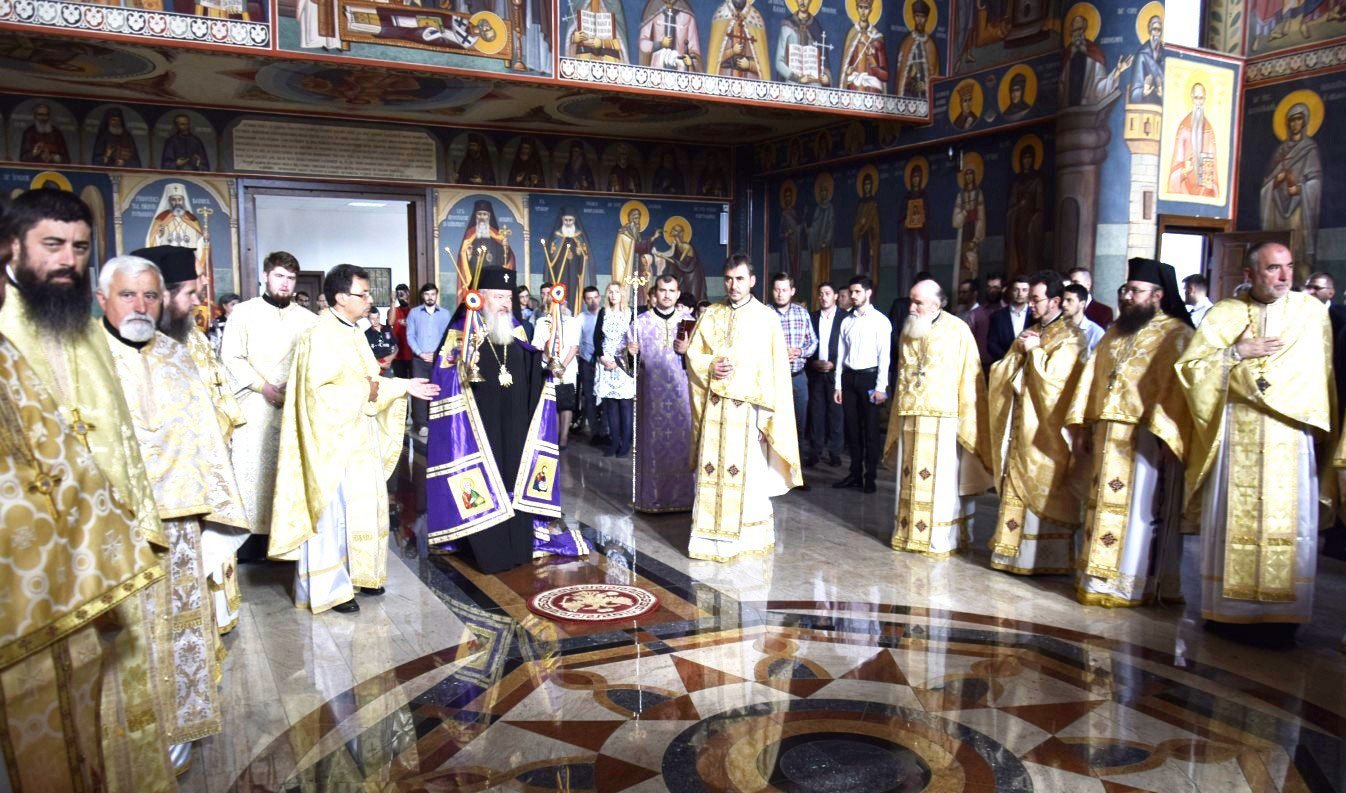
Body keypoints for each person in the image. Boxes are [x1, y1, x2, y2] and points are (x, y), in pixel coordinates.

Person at [0, 200, 175, 793]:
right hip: (23, 565)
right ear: (14, 246)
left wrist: (139, 522)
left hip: (101, 542)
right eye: (52, 245)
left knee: (105, 688)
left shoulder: (81, 322)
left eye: (79, 248)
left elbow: (119, 429)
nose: (67, 261)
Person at [99, 253, 250, 770]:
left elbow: (202, 432)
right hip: (113, 525)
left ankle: (174, 740)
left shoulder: (176, 353)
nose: (140, 305)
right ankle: (126, 745)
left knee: (177, 626)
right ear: (102, 299)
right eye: (127, 295)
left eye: (149, 295)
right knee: (125, 637)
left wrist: (216, 512)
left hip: (183, 522)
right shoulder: (83, 356)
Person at [1176, 242, 1331, 643]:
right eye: (1273, 268)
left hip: (1289, 437)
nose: (1284, 276)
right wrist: (1234, 353)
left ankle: (1283, 619)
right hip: (1236, 433)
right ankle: (1228, 613)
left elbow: (1319, 376)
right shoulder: (1225, 314)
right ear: (1250, 274)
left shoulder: (1310, 313)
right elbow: (1191, 371)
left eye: (1289, 267)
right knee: (1231, 520)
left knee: (1289, 525)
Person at [269, 264, 438, 613]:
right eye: (363, 293)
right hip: (332, 442)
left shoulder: (352, 330)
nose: (369, 299)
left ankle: (359, 574)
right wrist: (368, 389)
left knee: (360, 508)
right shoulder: (320, 335)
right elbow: (317, 395)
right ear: (341, 297)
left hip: (359, 435)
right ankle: (330, 588)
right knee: (334, 514)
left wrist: (403, 385)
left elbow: (371, 381)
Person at [428, 268, 587, 572]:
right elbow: (443, 380)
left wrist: (544, 360)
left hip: (515, 429)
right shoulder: (460, 333)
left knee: (516, 476)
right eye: (497, 297)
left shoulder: (517, 331)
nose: (504, 304)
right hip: (478, 432)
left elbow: (532, 368)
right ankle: (485, 546)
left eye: (508, 298)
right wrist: (463, 365)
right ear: (479, 298)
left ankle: (519, 542)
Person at [1068, 258, 1194, 607]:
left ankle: (1132, 583)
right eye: (1126, 290)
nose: (1126, 297)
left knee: (1139, 512)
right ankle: (1098, 579)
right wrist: (1083, 424)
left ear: (1157, 295)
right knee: (1099, 507)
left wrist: (1170, 436)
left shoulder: (1177, 334)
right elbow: (1091, 379)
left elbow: (1180, 391)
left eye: (1135, 291)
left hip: (1146, 438)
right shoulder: (1115, 333)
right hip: (1105, 435)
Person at [137, 245, 249, 635]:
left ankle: (214, 621)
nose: (198, 301)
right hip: (167, 488)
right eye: (189, 293)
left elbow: (215, 387)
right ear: (161, 295)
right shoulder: (136, 346)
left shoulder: (189, 335)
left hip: (204, 466)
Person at [685, 254, 801, 560]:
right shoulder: (711, 314)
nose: (733, 285)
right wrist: (710, 365)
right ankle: (708, 539)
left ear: (752, 281)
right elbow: (694, 355)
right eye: (728, 279)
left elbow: (774, 371)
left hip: (748, 412)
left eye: (739, 279)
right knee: (711, 472)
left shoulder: (766, 319)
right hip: (714, 410)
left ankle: (746, 540)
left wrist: (766, 418)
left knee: (747, 475)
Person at [987, 271, 1088, 576]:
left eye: (1036, 299)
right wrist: (1018, 354)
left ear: (1055, 301)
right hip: (1021, 421)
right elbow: (1002, 369)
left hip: (1046, 428)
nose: (1030, 304)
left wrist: (1036, 352)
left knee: (1042, 482)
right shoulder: (1030, 331)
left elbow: (1057, 383)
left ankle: (1042, 559)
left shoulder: (1071, 336)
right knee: (1015, 478)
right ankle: (1009, 553)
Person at [884, 278, 992, 555]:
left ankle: (938, 537)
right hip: (910, 416)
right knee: (909, 478)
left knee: (941, 483)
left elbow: (971, 376)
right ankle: (907, 533)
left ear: (936, 303)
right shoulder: (909, 328)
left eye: (918, 302)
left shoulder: (958, 330)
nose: (912, 307)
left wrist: (967, 417)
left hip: (943, 420)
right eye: (911, 300)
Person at [221, 251, 317, 560]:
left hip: (293, 406)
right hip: (254, 404)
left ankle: (287, 542)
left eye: (290, 278)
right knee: (251, 473)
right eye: (279, 276)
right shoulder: (243, 313)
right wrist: (263, 387)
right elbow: (231, 356)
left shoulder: (309, 320)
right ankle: (249, 545)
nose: (285, 283)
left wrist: (296, 385)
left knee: (287, 473)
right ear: (265, 276)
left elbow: (315, 361)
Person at [624, 274, 696, 511]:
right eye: (663, 290)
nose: (667, 295)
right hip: (651, 398)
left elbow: (703, 358)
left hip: (682, 395)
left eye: (671, 291)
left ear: (678, 294)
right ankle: (652, 499)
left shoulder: (690, 322)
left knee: (683, 445)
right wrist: (630, 354)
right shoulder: (640, 323)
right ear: (655, 293)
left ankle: (683, 499)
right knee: (653, 446)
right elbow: (628, 366)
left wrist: (688, 351)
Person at [833, 274, 891, 494]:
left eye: (857, 292)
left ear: (868, 293)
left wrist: (881, 387)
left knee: (871, 431)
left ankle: (870, 476)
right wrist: (838, 385)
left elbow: (884, 357)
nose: (853, 296)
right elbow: (840, 355)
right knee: (852, 429)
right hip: (849, 379)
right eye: (851, 292)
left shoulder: (881, 321)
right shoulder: (846, 321)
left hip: (869, 378)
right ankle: (855, 473)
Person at [770, 272, 818, 476]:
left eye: (784, 290)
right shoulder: (765, 314)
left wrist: (800, 351)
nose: (780, 294)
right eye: (776, 290)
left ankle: (796, 474)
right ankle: (773, 473)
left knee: (798, 425)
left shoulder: (802, 313)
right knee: (773, 424)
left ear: (792, 291)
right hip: (773, 379)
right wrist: (778, 353)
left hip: (798, 377)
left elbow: (813, 342)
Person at [532, 284, 582, 450]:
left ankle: (564, 438)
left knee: (566, 403)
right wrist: (549, 360)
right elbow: (537, 346)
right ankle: (553, 436)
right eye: (555, 304)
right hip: (548, 367)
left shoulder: (572, 322)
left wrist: (562, 366)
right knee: (552, 402)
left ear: (565, 304)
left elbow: (574, 347)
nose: (559, 306)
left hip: (567, 368)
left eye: (562, 303)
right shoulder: (542, 322)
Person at [594, 281, 637, 457]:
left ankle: (625, 444)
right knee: (610, 405)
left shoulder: (630, 313)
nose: (613, 295)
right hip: (606, 362)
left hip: (624, 363)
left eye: (616, 292)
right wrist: (603, 358)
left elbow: (634, 341)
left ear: (622, 295)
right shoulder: (603, 312)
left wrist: (619, 360)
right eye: (610, 292)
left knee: (625, 405)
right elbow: (597, 338)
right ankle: (613, 442)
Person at [806, 282, 846, 467]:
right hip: (815, 372)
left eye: (827, 293)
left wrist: (834, 363)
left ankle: (835, 453)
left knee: (836, 415)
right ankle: (815, 452)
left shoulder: (845, 318)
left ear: (835, 296)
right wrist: (813, 362)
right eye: (820, 293)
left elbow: (848, 347)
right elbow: (807, 342)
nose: (823, 297)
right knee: (816, 414)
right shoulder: (811, 317)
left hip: (836, 374)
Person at [408, 282, 452, 438]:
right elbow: (410, 335)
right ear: (422, 296)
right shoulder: (414, 313)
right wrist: (420, 353)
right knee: (420, 392)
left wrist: (437, 354)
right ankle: (421, 425)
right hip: (419, 359)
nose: (430, 297)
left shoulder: (445, 314)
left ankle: (437, 422)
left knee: (437, 389)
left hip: (438, 358)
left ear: (436, 295)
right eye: (427, 294)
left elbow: (448, 336)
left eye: (433, 294)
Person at [1167, 82, 1220, 198]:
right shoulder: (1184, 128)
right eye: (1196, 98)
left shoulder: (1208, 129)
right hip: (1184, 186)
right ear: (1192, 98)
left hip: (1204, 190)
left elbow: (1211, 166)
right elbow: (1176, 164)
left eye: (1201, 98)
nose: (1198, 103)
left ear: (1205, 99)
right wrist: (1185, 171)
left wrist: (1208, 183)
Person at [543, 208, 592, 314]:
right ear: (562, 220)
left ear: (574, 220)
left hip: (574, 272)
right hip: (560, 272)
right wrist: (562, 256)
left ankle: (574, 313)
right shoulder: (557, 236)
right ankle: (559, 312)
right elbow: (552, 255)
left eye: (570, 220)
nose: (568, 223)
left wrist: (577, 254)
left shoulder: (579, 236)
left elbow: (584, 256)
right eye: (566, 220)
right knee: (561, 289)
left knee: (573, 291)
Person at [706, 0, 771, 79]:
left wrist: (749, 64)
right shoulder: (721, 16)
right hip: (724, 79)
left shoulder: (756, 19)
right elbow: (714, 59)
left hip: (750, 81)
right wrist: (732, 51)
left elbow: (763, 65)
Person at [577, 284, 607, 443]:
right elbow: (577, 342)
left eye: (595, 297)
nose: (593, 301)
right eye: (589, 298)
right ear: (584, 300)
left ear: (599, 297)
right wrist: (587, 356)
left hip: (605, 362)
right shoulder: (581, 318)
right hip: (587, 362)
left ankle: (605, 431)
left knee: (606, 396)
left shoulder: (607, 315)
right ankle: (595, 433)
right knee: (589, 397)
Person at [639, 0, 701, 70]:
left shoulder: (687, 15)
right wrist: (660, 44)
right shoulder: (653, 10)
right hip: (658, 68)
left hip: (681, 69)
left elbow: (694, 49)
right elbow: (642, 43)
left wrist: (691, 61)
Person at [839, 0, 887, 92]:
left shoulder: (877, 37)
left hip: (872, 89)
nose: (863, 12)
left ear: (871, 9)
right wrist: (847, 72)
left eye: (866, 8)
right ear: (857, 8)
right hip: (854, 87)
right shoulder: (852, 34)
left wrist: (873, 64)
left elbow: (884, 75)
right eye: (861, 7)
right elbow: (846, 65)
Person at [894, 0, 937, 97]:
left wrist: (926, 86)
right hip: (909, 93)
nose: (920, 20)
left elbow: (934, 74)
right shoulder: (907, 43)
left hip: (925, 95)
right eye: (917, 16)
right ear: (913, 17)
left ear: (926, 19)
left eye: (923, 17)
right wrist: (911, 77)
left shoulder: (931, 45)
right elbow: (901, 73)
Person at [986, 274, 1032, 362]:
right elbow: (991, 344)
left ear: (1030, 292)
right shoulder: (997, 316)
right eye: (1016, 290)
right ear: (1010, 291)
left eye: (1024, 290)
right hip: (1004, 363)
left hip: (1029, 363)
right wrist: (1007, 360)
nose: (1020, 294)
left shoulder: (1034, 315)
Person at [1061, 282, 1105, 353]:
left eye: (1069, 300)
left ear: (1082, 304)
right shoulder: (1058, 328)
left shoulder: (1095, 332)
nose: (1063, 304)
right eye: (1063, 300)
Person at [1305, 271, 1346, 339]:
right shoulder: (1296, 313)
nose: (1310, 292)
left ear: (1331, 293)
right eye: (1308, 287)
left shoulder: (1342, 315)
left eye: (1316, 288)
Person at [388, 283, 413, 378]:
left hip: (413, 354)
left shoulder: (414, 310)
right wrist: (393, 301)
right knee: (401, 383)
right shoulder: (395, 310)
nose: (401, 296)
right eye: (399, 294)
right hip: (398, 355)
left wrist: (408, 299)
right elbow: (390, 322)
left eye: (403, 293)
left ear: (408, 293)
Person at [365, 307, 398, 375]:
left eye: (377, 317)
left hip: (389, 365)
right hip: (375, 366)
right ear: (368, 319)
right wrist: (380, 364)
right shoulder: (366, 334)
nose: (376, 320)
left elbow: (396, 347)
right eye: (372, 318)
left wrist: (390, 358)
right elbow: (366, 354)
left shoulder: (387, 329)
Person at [208, 290, 240, 356]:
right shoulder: (216, 323)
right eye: (233, 304)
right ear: (224, 306)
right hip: (223, 356)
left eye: (238, 304)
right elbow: (212, 343)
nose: (237, 307)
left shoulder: (244, 321)